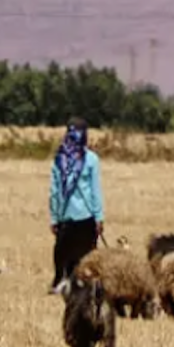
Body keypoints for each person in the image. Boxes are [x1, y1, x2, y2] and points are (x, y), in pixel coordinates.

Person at [49, 116, 104, 294]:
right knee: (85, 254)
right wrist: (99, 217)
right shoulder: (91, 159)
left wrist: (54, 217)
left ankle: (61, 281)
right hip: (86, 215)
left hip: (67, 215)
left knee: (63, 252)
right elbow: (95, 191)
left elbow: (55, 192)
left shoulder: (60, 159)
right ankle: (81, 283)